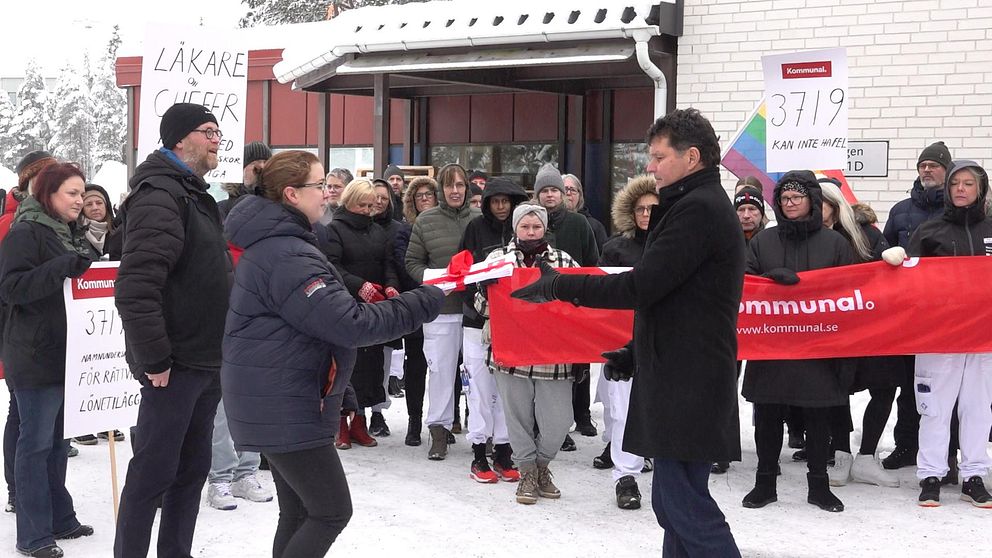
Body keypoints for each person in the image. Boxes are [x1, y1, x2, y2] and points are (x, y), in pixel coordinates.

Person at [511, 109, 742, 556]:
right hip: (679, 367)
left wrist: (561, 283)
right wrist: (637, 350)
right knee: (672, 503)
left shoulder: (699, 209)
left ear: (692, 157)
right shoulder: (688, 205)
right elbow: (676, 298)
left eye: (658, 156)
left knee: (683, 503)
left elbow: (642, 285)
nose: (649, 166)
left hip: (690, 378)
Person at [222, 150, 444, 556]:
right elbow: (350, 323)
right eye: (318, 186)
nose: (327, 195)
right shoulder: (288, 254)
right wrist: (422, 301)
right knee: (329, 511)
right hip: (286, 401)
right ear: (291, 194)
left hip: (279, 395)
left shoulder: (282, 244)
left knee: (300, 512)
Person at [113, 103, 232, 558]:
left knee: (190, 472)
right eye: (208, 131)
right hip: (175, 365)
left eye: (219, 130)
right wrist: (155, 359)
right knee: (153, 475)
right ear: (180, 139)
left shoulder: (193, 194)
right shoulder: (160, 195)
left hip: (205, 360)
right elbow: (137, 288)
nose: (217, 139)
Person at [742, 171, 855, 513]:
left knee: (819, 417)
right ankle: (765, 483)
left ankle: (818, 485)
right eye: (784, 199)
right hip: (770, 345)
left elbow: (849, 290)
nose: (790, 204)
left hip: (818, 347)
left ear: (812, 201)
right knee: (767, 414)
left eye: (797, 198)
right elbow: (743, 283)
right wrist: (766, 282)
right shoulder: (763, 242)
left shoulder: (835, 244)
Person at [0, 162, 96, 558]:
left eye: (82, 193)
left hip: (67, 354)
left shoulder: (73, 235)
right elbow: (12, 288)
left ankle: (60, 517)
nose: (80, 200)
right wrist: (62, 268)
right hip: (34, 354)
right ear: (49, 194)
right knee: (36, 445)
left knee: (57, 443)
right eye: (72, 193)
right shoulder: (26, 232)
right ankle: (34, 534)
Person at [884, 160, 992, 508]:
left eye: (969, 184)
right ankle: (931, 474)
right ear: (947, 189)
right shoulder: (930, 231)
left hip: (983, 338)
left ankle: (973, 476)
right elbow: (907, 284)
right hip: (939, 336)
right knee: (934, 409)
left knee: (979, 410)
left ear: (980, 190)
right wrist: (896, 262)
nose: (961, 189)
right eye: (956, 183)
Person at [475, 203, 579, 503]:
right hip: (511, 351)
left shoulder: (563, 260)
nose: (531, 232)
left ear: (544, 228)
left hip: (552, 353)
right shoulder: (498, 260)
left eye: (536, 227)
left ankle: (542, 464)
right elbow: (482, 309)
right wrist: (485, 290)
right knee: (516, 417)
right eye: (525, 226)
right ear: (516, 228)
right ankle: (527, 474)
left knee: (559, 421)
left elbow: (577, 303)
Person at [816, 180, 902, 490]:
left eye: (819, 202)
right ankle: (841, 453)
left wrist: (892, 258)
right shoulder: (809, 237)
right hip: (833, 330)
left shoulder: (866, 233)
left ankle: (867, 457)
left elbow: (888, 271)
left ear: (835, 206)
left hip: (873, 327)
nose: (813, 208)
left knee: (884, 386)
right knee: (835, 389)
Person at [880, 141, 953, 471]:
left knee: (948, 386)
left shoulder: (958, 211)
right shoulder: (900, 211)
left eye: (933, 165)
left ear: (946, 170)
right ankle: (906, 445)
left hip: (950, 313)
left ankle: (948, 455)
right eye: (923, 165)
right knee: (909, 384)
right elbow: (882, 252)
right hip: (910, 312)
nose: (927, 170)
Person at [405, 163, 481, 460]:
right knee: (440, 371)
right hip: (441, 310)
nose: (454, 190)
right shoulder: (425, 220)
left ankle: (482, 433)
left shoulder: (479, 219)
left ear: (467, 189)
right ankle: (438, 429)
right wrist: (434, 280)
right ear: (440, 190)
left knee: (478, 373)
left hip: (476, 311)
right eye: (449, 185)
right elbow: (412, 262)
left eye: (460, 185)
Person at [458, 176, 529, 483]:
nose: (501, 207)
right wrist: (481, 310)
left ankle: (503, 450)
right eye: (495, 201)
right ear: (487, 203)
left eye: (506, 201)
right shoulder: (475, 229)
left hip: (513, 325)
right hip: (478, 324)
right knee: (478, 389)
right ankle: (478, 452)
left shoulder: (523, 231)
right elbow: (463, 274)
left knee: (506, 391)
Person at [593, 174, 657, 509]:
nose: (646, 214)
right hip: (622, 341)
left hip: (666, 341)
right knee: (621, 412)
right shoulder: (615, 248)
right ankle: (625, 476)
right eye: (640, 209)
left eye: (653, 208)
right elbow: (603, 295)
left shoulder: (677, 245)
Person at [324, 178, 401, 449]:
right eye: (364, 205)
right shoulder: (334, 230)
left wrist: (391, 286)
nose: (369, 210)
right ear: (350, 202)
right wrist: (359, 286)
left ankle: (361, 421)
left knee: (370, 367)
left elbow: (388, 264)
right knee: (347, 366)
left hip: (375, 304)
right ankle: (340, 424)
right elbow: (332, 267)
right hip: (345, 304)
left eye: (372, 205)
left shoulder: (378, 232)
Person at [2, 150, 59, 515]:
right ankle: (16, 488)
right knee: (22, 414)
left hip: (42, 333)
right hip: (18, 331)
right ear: (29, 180)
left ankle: (31, 492)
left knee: (28, 416)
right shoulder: (12, 222)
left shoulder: (53, 220)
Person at [533, 164, 599, 449]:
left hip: (571, 304)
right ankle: (544, 426)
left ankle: (575, 417)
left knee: (574, 366)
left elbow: (591, 263)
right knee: (542, 369)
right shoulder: (530, 222)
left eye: (554, 190)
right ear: (537, 195)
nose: (550, 195)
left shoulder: (579, 224)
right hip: (538, 307)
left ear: (563, 194)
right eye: (544, 191)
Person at [70, 183, 126, 447]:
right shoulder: (76, 235)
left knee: (110, 363)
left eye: (99, 203)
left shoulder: (120, 233)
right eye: (89, 203)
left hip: (113, 310)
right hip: (84, 310)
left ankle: (109, 421)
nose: (94, 208)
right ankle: (83, 423)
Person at [397, 176, 438, 446]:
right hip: (415, 302)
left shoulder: (444, 224)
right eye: (418, 195)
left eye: (429, 195)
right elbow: (404, 265)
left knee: (446, 367)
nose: (424, 199)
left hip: (443, 303)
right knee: (416, 366)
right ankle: (414, 421)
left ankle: (448, 420)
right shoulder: (403, 229)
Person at [218, 141, 271, 220]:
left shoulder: (277, 204)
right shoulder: (222, 209)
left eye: (266, 163)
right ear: (241, 170)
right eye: (255, 163)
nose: (262, 167)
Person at [562, 173, 609, 250]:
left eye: (573, 190)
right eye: (565, 189)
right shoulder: (550, 223)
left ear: (580, 196)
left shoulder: (594, 226)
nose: (569, 193)